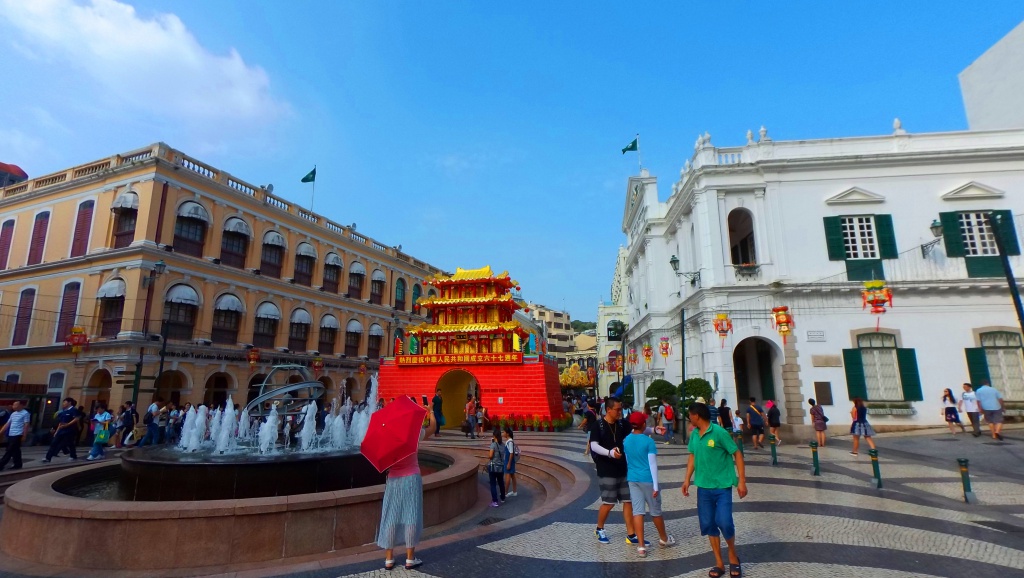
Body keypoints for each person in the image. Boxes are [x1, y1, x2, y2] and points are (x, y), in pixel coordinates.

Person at [682, 402, 747, 578]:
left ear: (697, 416)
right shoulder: (695, 434)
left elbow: (737, 454)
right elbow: (692, 456)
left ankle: (732, 555)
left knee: (724, 522)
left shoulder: (719, 432)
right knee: (709, 524)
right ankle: (719, 562)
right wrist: (687, 479)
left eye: (690, 415)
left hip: (722, 486)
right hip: (703, 487)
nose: (689, 418)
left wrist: (742, 481)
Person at [377, 411, 433, 571]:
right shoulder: (413, 434)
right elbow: (433, 427)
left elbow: (384, 463)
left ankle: (389, 558)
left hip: (394, 479)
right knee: (411, 515)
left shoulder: (387, 439)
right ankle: (410, 558)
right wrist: (430, 412)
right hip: (412, 478)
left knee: (391, 516)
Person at [589, 396, 645, 546]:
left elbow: (635, 431)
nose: (620, 412)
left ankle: (631, 534)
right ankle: (599, 528)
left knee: (628, 501)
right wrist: (610, 453)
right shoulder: (598, 425)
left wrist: (654, 430)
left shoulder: (622, 424)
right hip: (606, 469)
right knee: (609, 502)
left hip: (624, 469)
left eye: (621, 409)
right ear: (608, 410)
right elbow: (593, 445)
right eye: (617, 409)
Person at [623, 411, 676, 557]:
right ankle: (664, 539)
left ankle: (641, 547)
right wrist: (655, 486)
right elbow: (653, 465)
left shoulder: (626, 440)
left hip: (632, 479)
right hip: (647, 479)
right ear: (644, 424)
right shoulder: (648, 441)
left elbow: (627, 461)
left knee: (638, 512)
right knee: (655, 511)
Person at [43, 398, 79, 463]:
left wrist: (68, 424)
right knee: (54, 443)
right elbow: (60, 422)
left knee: (70, 444)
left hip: (69, 430)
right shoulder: (63, 411)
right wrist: (56, 431)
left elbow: (76, 419)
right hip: (61, 430)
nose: (63, 404)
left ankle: (73, 456)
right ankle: (48, 458)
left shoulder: (73, 410)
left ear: (69, 402)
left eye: (65, 402)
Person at [0, 401, 30, 471]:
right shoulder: (13, 414)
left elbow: (26, 424)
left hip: (18, 434)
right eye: (13, 405)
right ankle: (18, 464)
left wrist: (24, 435)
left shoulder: (25, 413)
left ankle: (1, 464)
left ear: (21, 405)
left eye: (15, 405)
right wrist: (1, 432)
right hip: (11, 434)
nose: (13, 406)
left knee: (9, 450)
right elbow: (8, 423)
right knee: (15, 450)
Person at [486, 428, 506, 507]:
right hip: (501, 466)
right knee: (501, 483)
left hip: (493, 466)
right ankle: (503, 498)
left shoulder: (493, 444)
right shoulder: (503, 445)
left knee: (493, 484)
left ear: (494, 436)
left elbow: (490, 456)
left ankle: (495, 501)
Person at [503, 427, 518, 497]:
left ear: (507, 433)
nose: (503, 434)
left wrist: (508, 463)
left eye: (504, 432)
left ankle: (505, 492)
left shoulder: (510, 442)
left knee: (508, 477)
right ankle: (514, 491)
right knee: (512, 475)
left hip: (509, 461)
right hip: (508, 460)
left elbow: (511, 453)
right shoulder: (508, 441)